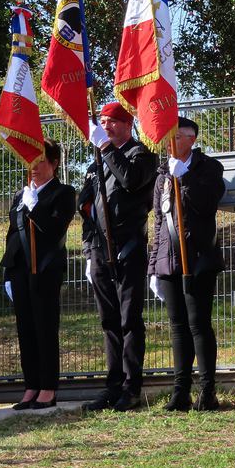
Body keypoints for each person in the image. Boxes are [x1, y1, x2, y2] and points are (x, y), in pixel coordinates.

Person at [79, 102, 158, 412]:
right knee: (108, 321)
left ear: (128, 125)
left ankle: (131, 387)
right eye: (103, 122)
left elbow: (130, 180)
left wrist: (106, 150)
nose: (107, 126)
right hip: (99, 250)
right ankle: (112, 386)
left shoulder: (141, 155)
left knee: (129, 320)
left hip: (127, 248)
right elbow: (85, 209)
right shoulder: (95, 162)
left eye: (113, 122)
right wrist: (88, 251)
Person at [148, 117, 226, 411]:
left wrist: (185, 179)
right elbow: (158, 221)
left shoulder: (208, 167)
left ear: (192, 139)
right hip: (168, 260)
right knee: (177, 326)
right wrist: (153, 267)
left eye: (178, 136)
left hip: (198, 259)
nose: (171, 143)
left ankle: (207, 391)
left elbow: (207, 204)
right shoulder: (161, 175)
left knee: (198, 324)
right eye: (168, 137)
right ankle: (180, 391)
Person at [0, 140, 76, 410]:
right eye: (31, 160)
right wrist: (8, 271)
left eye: (41, 161)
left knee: (44, 328)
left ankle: (47, 387)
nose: (34, 167)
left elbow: (54, 229)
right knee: (25, 329)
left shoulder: (64, 192)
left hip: (45, 270)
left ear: (54, 164)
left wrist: (36, 208)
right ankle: (31, 385)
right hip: (21, 271)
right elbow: (12, 236)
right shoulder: (21, 195)